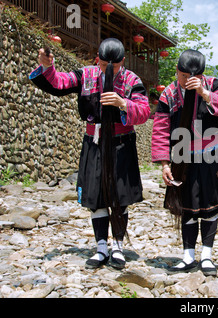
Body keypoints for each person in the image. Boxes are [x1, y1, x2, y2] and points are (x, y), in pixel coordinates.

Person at [29, 38, 151, 270]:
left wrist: (123, 103)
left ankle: (118, 246)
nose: (107, 70)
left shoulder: (131, 80)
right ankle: (101, 247)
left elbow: (144, 111)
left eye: (113, 67)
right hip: (94, 141)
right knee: (96, 196)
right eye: (103, 65)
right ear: (97, 59)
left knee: (120, 196)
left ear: (123, 61)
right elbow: (59, 82)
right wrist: (47, 66)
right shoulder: (86, 75)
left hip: (121, 144)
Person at [151, 49, 218, 276]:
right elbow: (160, 128)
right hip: (182, 156)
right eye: (181, 75)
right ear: (177, 71)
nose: (185, 80)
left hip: (213, 153)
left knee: (211, 206)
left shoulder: (214, 84)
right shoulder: (169, 94)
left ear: (201, 74)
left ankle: (206, 257)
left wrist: (205, 93)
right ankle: (188, 257)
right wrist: (164, 163)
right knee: (187, 206)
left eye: (192, 77)